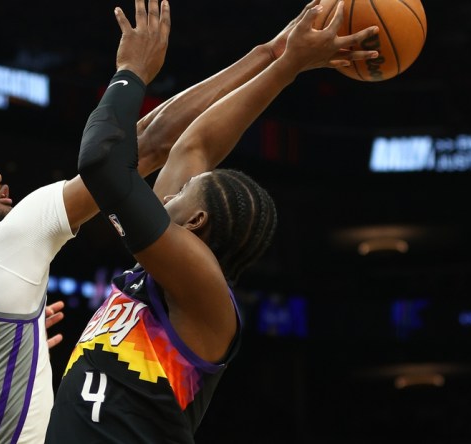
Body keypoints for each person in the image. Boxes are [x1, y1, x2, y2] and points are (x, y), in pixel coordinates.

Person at [0, 1, 370, 442]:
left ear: (195, 221)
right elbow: (148, 145)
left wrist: (277, 54)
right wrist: (133, 72)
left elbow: (181, 146)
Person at [45, 0, 379, 442]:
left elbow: (103, 161)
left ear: (196, 221)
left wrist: (130, 70)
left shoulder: (204, 289)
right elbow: (194, 145)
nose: (168, 191)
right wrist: (277, 57)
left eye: (181, 193)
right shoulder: (173, 266)